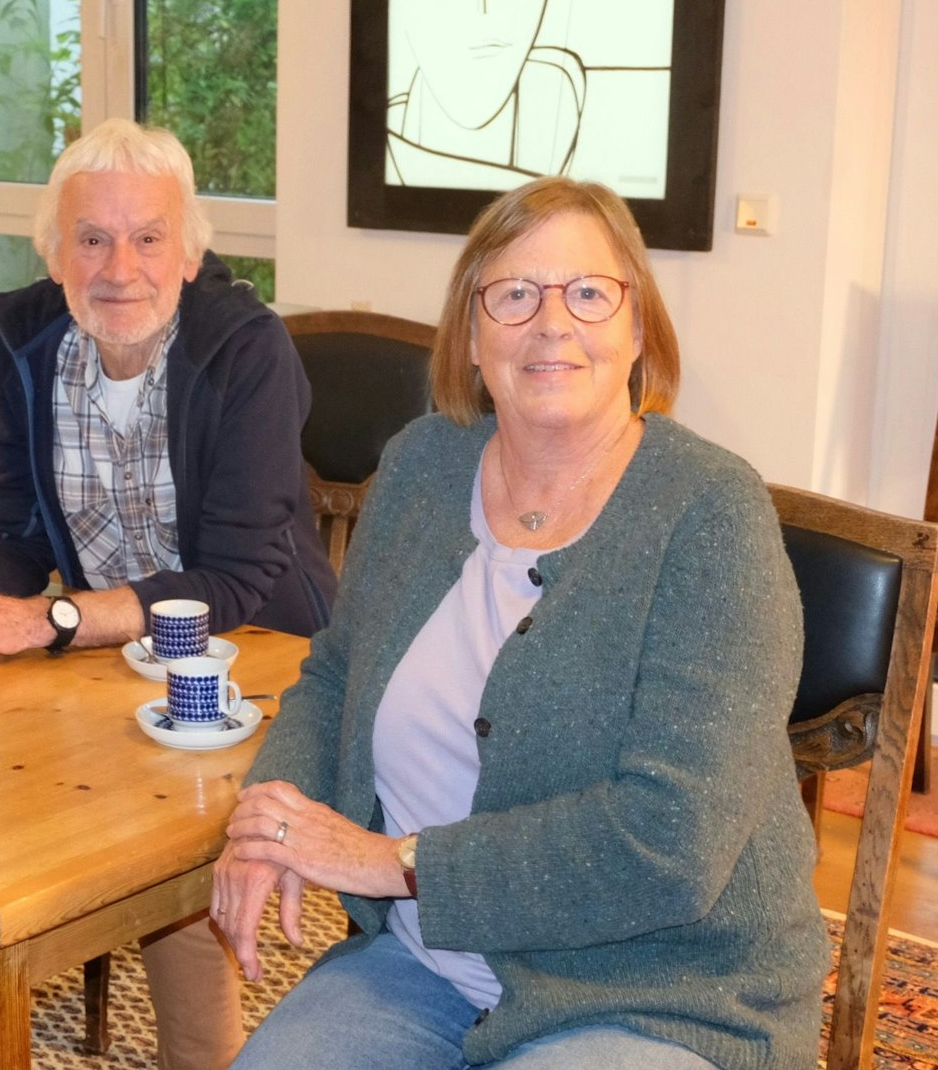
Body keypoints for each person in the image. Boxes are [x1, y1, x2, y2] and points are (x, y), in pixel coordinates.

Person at [213, 176, 829, 1068]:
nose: (552, 323)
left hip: (654, 991)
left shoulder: (710, 513)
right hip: (425, 965)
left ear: (638, 329)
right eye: (513, 295)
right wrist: (269, 819)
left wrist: (398, 864)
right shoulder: (423, 466)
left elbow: (673, 840)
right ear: (470, 334)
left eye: (588, 292)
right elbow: (337, 673)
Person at [0, 119, 334, 1070]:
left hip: (261, 649)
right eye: (91, 238)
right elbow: (15, 530)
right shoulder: (28, 340)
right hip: (106, 654)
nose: (118, 267)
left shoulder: (248, 351)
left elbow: (239, 576)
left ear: (190, 250)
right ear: (54, 251)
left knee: (163, 835)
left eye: (147, 237)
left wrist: (46, 619)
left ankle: (199, 1055)